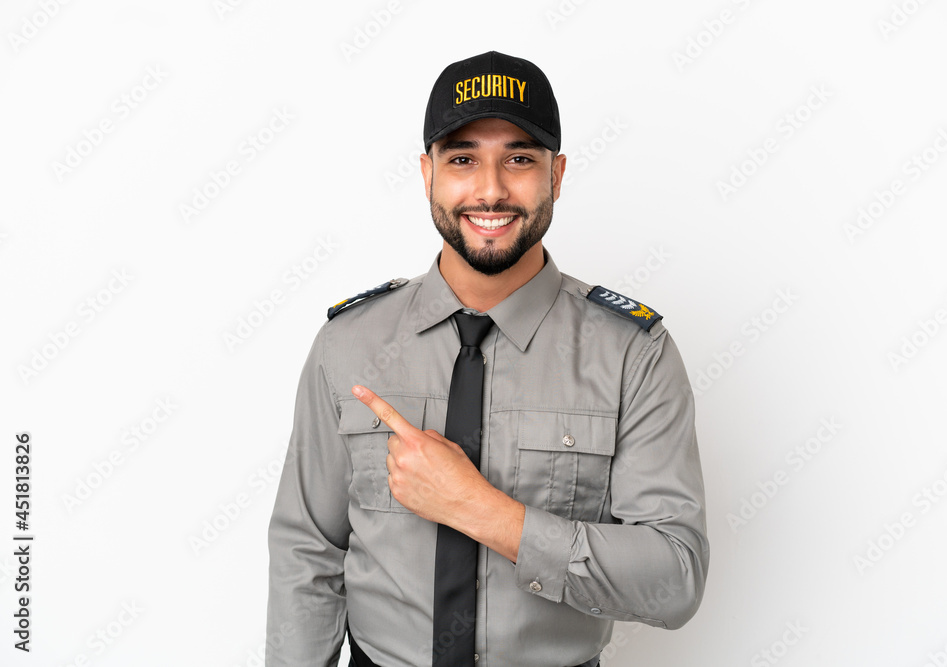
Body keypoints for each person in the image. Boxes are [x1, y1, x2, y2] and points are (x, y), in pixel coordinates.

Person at [266, 50, 709, 667]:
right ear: (428, 174)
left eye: (520, 159)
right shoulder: (349, 344)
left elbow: (675, 581)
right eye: (463, 159)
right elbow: (306, 551)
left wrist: (483, 512)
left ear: (555, 175)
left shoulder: (634, 354)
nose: (491, 189)